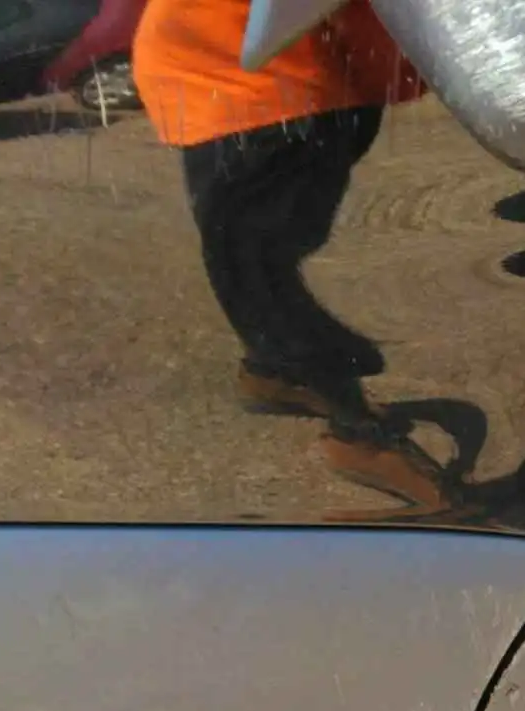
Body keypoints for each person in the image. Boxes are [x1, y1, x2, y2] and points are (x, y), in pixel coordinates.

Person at [133, 0, 446, 510]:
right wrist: (399, 74)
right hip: (258, 89)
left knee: (264, 254)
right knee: (264, 267)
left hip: (251, 78)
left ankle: (277, 374)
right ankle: (357, 435)